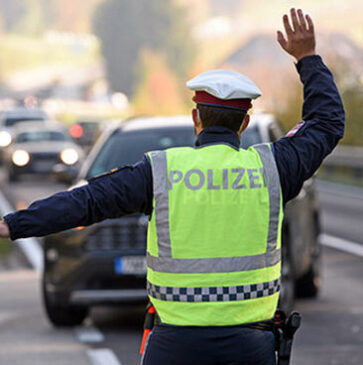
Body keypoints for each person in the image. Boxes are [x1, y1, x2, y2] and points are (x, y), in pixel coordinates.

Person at [0, 8, 344, 365]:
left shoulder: (161, 172)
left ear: (196, 118)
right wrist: (307, 58)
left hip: (173, 347)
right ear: (244, 123)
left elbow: (87, 201)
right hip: (249, 348)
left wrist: (15, 224)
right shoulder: (272, 168)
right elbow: (326, 122)